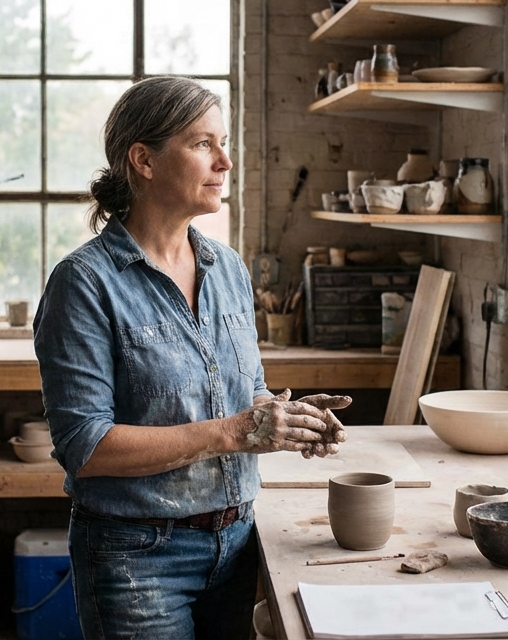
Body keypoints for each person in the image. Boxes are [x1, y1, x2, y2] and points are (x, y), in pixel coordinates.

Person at [34, 76, 351, 639]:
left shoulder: (226, 267)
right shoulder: (84, 284)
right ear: (144, 160)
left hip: (237, 541)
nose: (225, 161)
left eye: (223, 142)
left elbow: (248, 392)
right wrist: (236, 431)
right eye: (204, 144)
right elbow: (84, 446)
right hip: (137, 556)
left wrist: (284, 420)